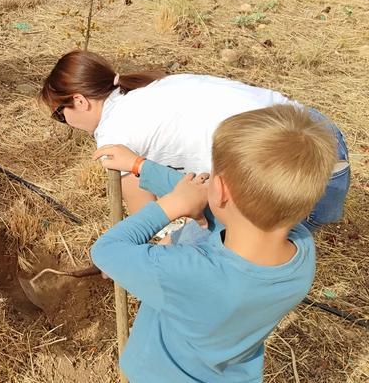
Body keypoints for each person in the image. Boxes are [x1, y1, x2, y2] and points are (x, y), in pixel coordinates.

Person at [91, 104, 336, 382]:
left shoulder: (185, 271)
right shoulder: (301, 250)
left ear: (219, 191)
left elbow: (107, 250)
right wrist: (140, 166)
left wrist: (171, 205)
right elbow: (215, 200)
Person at [40, 49, 350, 231]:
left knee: (218, 248)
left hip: (292, 172)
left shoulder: (113, 134)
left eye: (59, 114)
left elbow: (150, 221)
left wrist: (129, 254)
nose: (64, 122)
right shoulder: (158, 86)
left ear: (80, 101)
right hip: (322, 138)